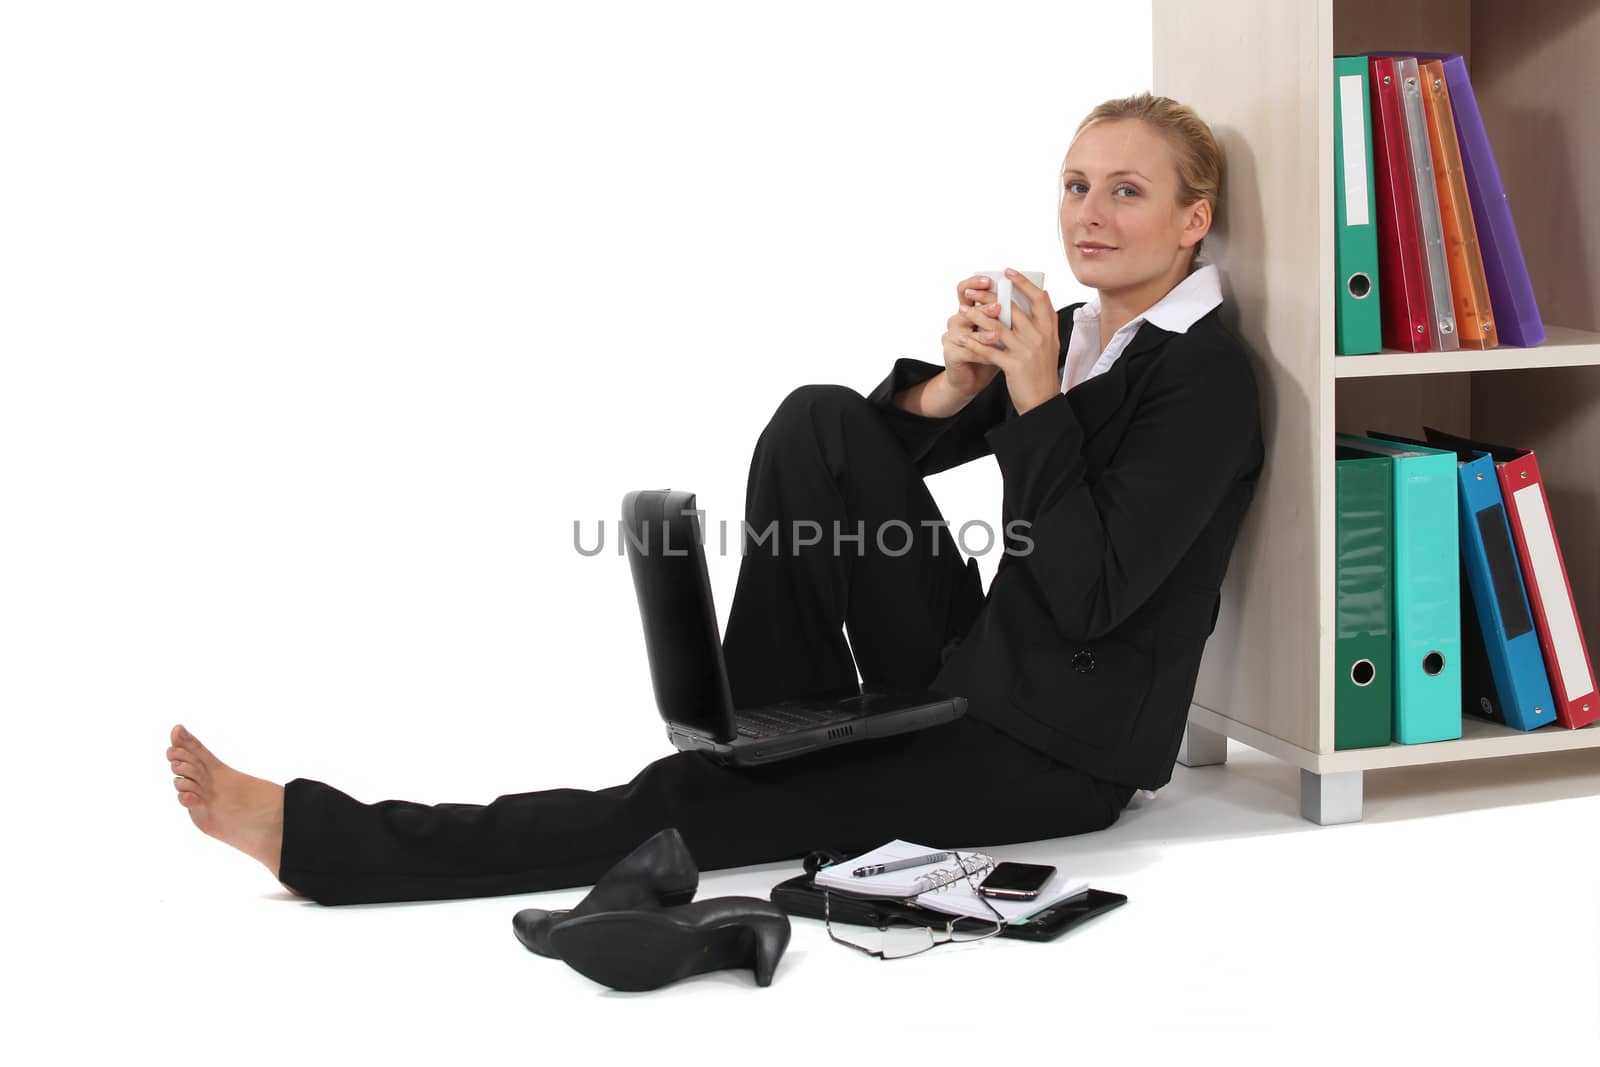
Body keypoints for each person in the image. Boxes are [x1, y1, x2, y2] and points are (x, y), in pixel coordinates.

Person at [167, 92, 1264, 906]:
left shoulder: (1205, 378)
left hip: (1054, 748)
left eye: (1127, 190)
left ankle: (319, 839)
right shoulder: (1076, 331)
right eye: (1075, 184)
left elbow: (1089, 591)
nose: (1090, 212)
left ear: (1188, 221)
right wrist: (960, 385)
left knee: (681, 806)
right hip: (976, 667)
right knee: (820, 419)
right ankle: (773, 724)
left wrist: (1030, 400)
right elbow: (886, 457)